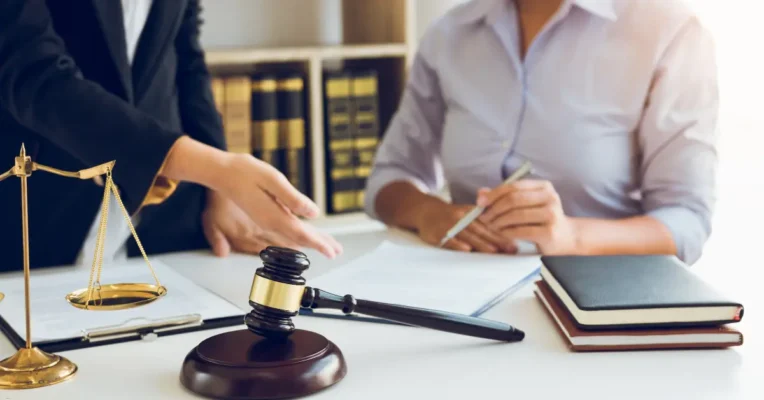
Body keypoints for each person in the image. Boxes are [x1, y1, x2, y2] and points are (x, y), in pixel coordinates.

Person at [365, 0, 719, 265]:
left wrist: (572, 236)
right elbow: (388, 178)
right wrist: (427, 211)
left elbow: (686, 220)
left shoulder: (670, 32)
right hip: (464, 288)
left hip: (600, 303)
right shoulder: (449, 34)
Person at [0, 0, 341, 272]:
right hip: (37, 217)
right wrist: (216, 169)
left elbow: (186, 59)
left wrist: (217, 191)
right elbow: (32, 74)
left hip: (164, 225)